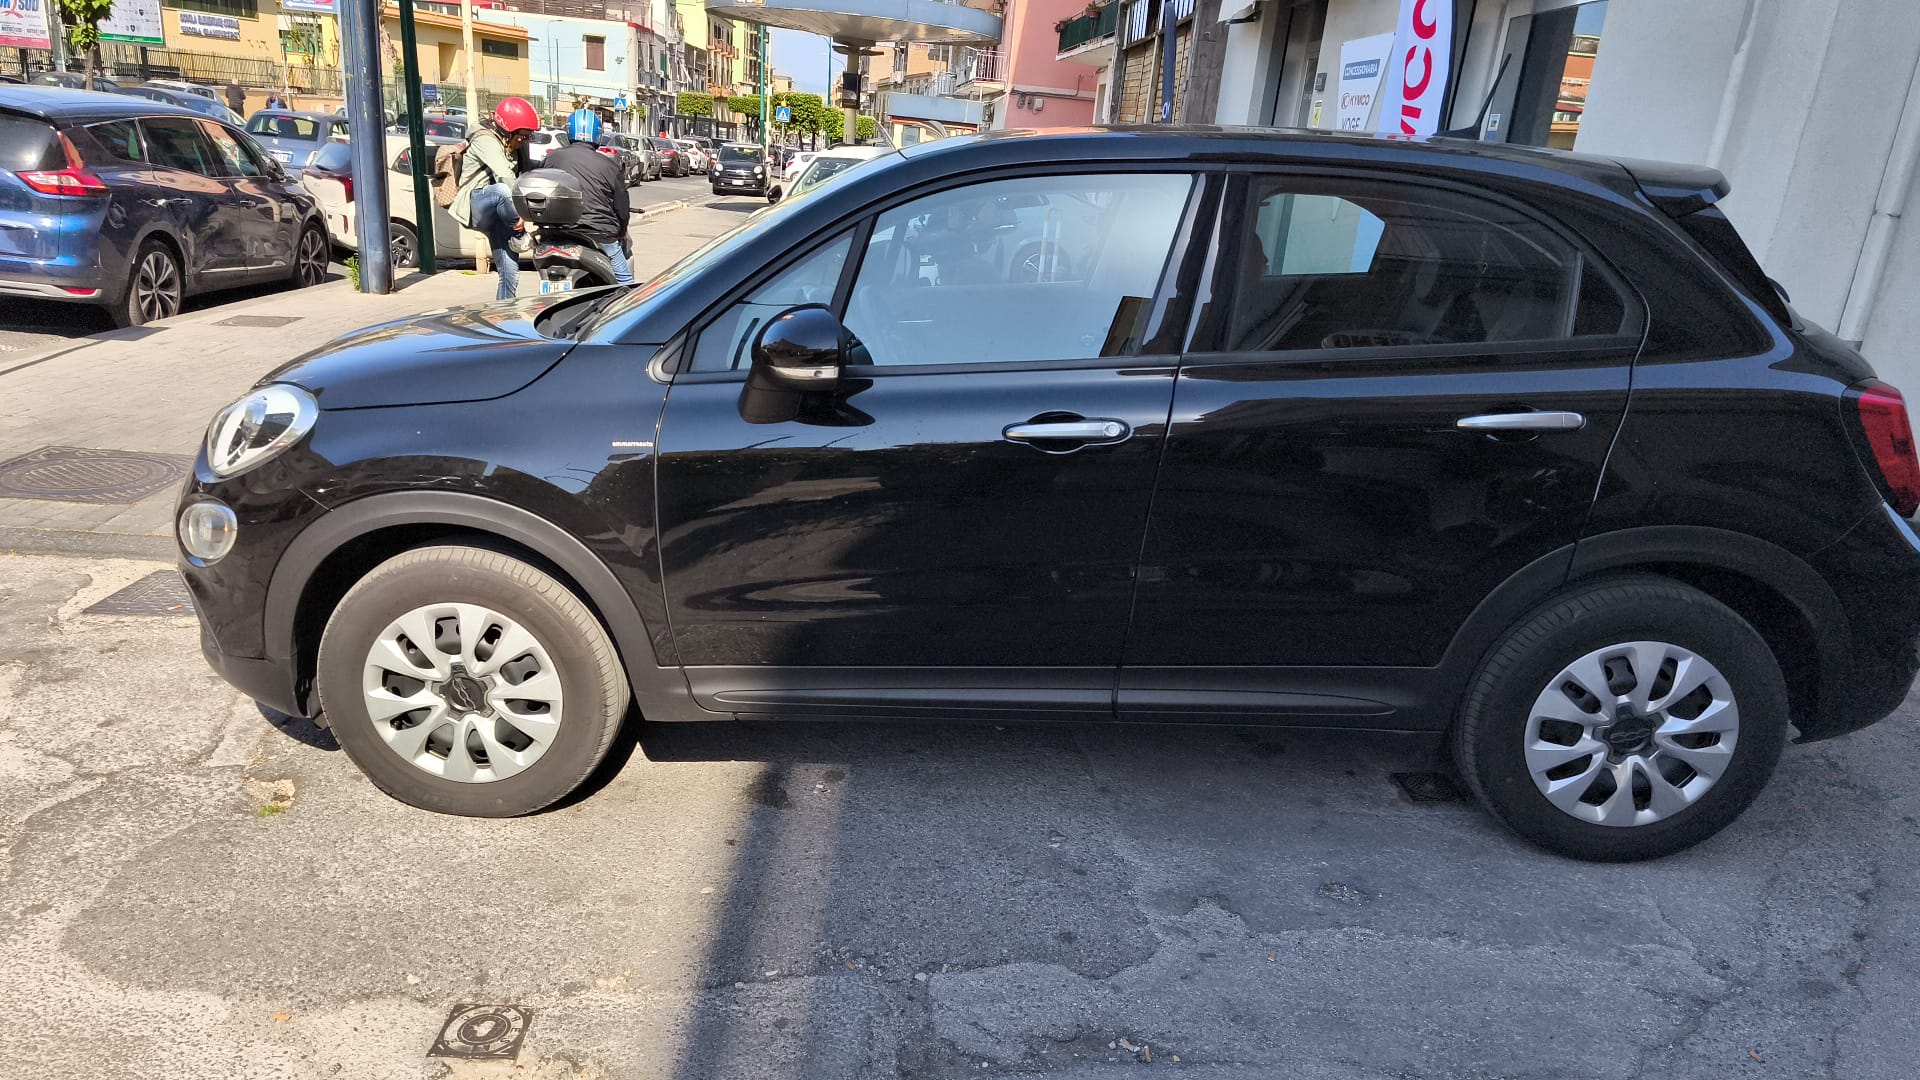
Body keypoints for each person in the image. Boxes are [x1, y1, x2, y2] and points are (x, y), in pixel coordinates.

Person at [451, 97, 538, 300]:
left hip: (501, 213)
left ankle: (504, 313)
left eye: (529, 136)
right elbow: (504, 175)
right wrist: (521, 212)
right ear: (508, 130)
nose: (525, 141)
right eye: (523, 136)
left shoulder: (514, 143)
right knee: (502, 190)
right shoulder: (485, 139)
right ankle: (521, 237)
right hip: (476, 202)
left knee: (510, 273)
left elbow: (525, 170)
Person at [543, 109, 633, 285]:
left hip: (557, 234)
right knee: (627, 285)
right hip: (600, 236)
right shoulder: (609, 165)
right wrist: (622, 230)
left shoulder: (552, 158)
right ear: (598, 135)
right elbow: (622, 207)